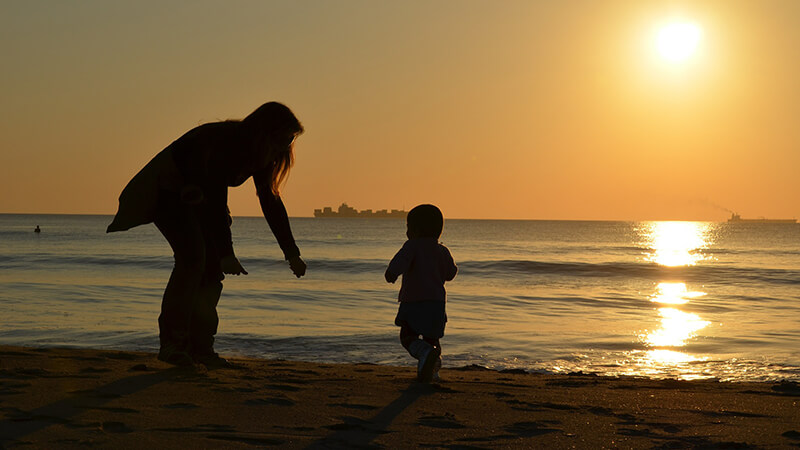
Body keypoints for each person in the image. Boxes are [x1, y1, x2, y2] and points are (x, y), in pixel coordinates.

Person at [107, 102, 307, 367]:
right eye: (285, 137)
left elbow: (269, 202)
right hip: (168, 192)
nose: (286, 146)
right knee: (192, 260)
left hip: (199, 198)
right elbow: (213, 196)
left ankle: (201, 347)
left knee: (211, 271)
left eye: (290, 140)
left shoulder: (263, 155)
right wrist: (226, 253)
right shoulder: (226, 142)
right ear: (266, 131)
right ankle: (173, 344)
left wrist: (291, 253)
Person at [385, 204, 457, 382]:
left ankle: (425, 353)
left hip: (413, 302)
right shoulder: (442, 250)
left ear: (415, 230)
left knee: (407, 336)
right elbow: (450, 274)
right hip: (437, 305)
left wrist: (391, 273)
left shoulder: (412, 246)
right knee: (433, 338)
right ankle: (432, 370)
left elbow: (399, 262)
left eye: (408, 227)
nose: (407, 232)